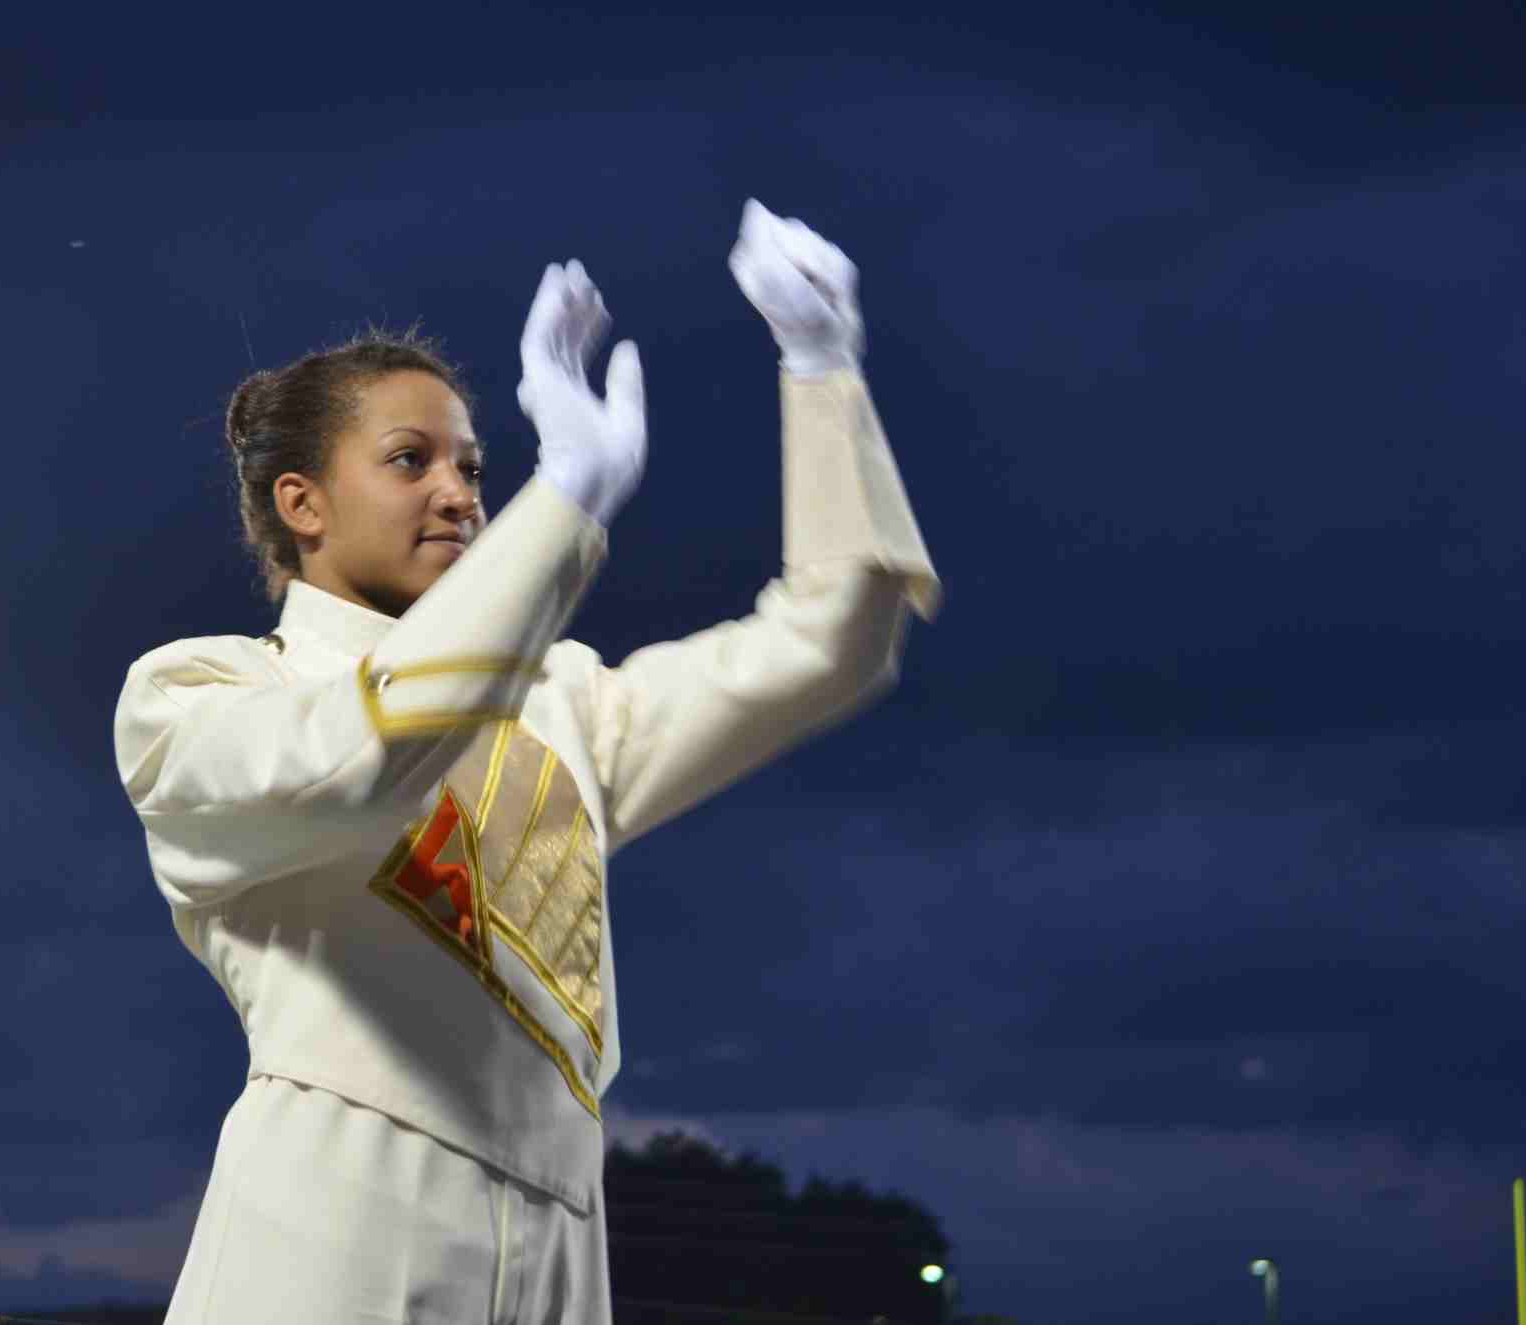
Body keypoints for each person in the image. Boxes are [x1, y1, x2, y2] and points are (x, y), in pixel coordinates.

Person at [112, 198, 940, 1324]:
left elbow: (829, 646)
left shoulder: (559, 700)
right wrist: (566, 500)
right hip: (335, 1221)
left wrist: (822, 367)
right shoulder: (199, 695)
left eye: (473, 464)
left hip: (563, 1240)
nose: (458, 492)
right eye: (409, 460)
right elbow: (370, 755)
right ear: (300, 502)